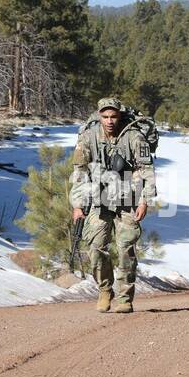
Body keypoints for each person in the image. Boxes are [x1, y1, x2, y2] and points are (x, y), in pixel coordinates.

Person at [70, 97, 157, 313]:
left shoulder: (134, 137)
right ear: (99, 117)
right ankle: (104, 290)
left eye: (113, 116)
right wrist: (78, 205)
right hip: (99, 200)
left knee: (126, 248)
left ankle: (125, 298)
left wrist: (145, 200)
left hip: (128, 199)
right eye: (105, 117)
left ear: (119, 116)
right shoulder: (88, 137)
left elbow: (147, 171)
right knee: (96, 247)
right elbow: (79, 172)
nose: (109, 121)